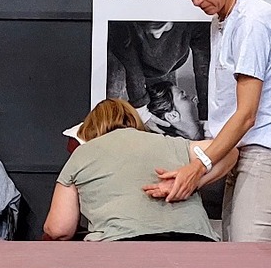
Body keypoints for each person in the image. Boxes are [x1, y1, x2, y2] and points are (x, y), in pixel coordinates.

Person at [145, 0, 271, 242]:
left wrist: (198, 166)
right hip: (245, 157)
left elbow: (246, 115)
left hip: (269, 159)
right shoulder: (222, 20)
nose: (197, 1)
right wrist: (189, 178)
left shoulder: (251, 20)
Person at [45, 99, 220, 242]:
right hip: (196, 244)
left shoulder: (82, 154)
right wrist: (193, 180)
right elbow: (231, 151)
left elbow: (59, 228)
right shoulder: (171, 143)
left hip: (122, 248)